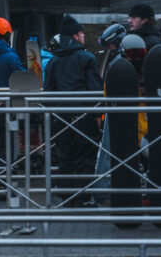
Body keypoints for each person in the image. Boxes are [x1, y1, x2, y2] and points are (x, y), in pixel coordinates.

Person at [44, 15, 103, 205]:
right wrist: (97, 114)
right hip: (83, 115)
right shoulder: (87, 58)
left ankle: (65, 194)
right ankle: (84, 195)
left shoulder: (53, 61)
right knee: (85, 155)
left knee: (64, 156)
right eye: (81, 33)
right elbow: (95, 90)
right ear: (75, 36)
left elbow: (48, 91)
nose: (84, 36)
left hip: (60, 117)